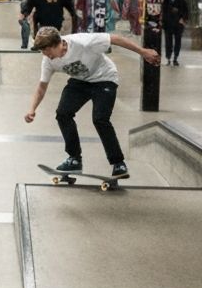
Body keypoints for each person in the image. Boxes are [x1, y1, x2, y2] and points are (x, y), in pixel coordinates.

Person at [24, 26, 160, 179]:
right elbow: (42, 87)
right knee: (63, 114)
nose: (45, 55)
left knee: (100, 119)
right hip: (80, 82)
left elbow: (115, 39)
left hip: (105, 79)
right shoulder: (48, 61)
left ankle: (118, 163)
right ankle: (74, 159)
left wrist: (143, 52)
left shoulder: (83, 42)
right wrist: (32, 109)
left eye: (46, 50)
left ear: (57, 44)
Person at [161, 0, 189, 66]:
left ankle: (175, 58)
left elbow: (186, 11)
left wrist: (182, 19)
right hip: (168, 23)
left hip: (178, 24)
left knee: (178, 41)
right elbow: (164, 9)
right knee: (168, 42)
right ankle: (168, 58)